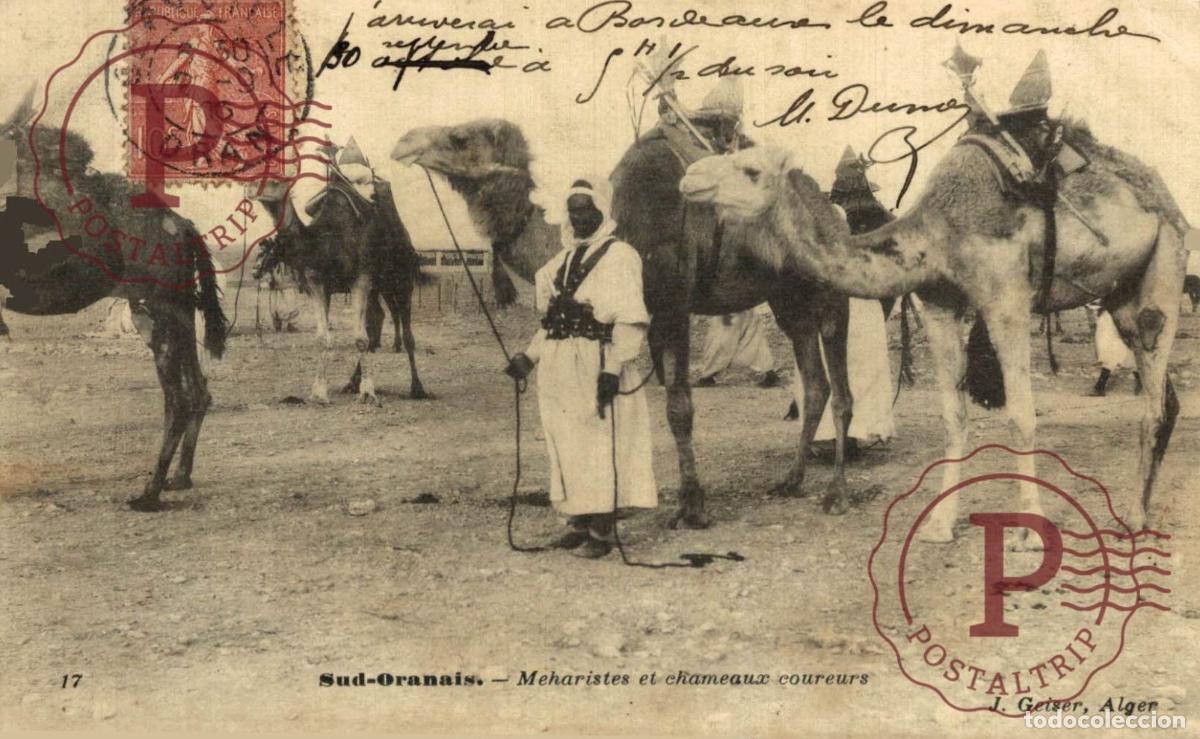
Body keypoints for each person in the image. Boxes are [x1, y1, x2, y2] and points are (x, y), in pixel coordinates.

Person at [503, 176, 657, 559]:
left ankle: (602, 530)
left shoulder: (620, 256)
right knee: (568, 442)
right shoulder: (563, 259)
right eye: (573, 212)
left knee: (597, 444)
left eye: (586, 211)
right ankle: (579, 520)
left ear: (602, 210)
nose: (579, 219)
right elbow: (552, 322)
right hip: (559, 366)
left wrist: (613, 370)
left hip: (597, 361)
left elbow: (629, 318)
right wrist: (528, 357)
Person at [785, 148, 896, 453]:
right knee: (862, 368)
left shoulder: (821, 216)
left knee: (827, 366)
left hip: (827, 302)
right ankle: (854, 433)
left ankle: (827, 435)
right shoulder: (881, 217)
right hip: (862, 301)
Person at [695, 304, 781, 387]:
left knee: (720, 339)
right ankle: (770, 375)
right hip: (746, 306)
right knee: (753, 338)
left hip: (731, 307)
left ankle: (707, 376)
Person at [1086, 301, 1139, 396]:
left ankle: (1100, 387)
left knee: (1113, 352)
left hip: (1113, 318)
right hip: (1109, 317)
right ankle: (1140, 383)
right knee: (1120, 353)